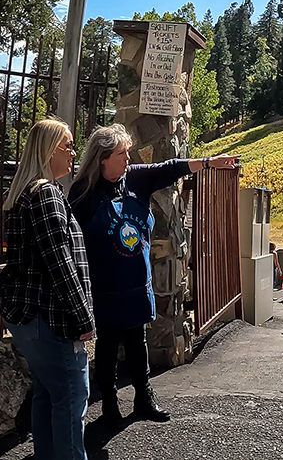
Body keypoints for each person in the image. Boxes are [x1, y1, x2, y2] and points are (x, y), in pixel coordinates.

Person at [69, 123, 238, 426]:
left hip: (136, 285)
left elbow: (170, 168)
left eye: (128, 153)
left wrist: (209, 163)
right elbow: (74, 244)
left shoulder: (134, 179)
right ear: (102, 158)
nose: (127, 159)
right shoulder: (83, 193)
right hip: (105, 288)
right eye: (121, 154)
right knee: (107, 347)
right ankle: (108, 403)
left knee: (137, 341)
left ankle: (143, 397)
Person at [0, 119, 92, 460]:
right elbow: (60, 263)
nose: (73, 154)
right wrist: (84, 318)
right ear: (48, 150)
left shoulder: (26, 193)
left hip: (28, 316)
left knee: (47, 393)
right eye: (67, 146)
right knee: (70, 397)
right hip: (50, 317)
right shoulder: (47, 194)